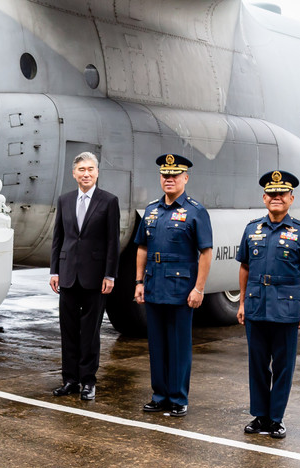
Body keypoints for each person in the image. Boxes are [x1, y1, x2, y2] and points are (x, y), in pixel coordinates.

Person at [235, 171, 300, 439]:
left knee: (283, 366)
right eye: (271, 194)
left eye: (282, 194)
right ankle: (260, 416)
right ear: (264, 198)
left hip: (286, 309)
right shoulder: (252, 229)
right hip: (257, 306)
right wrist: (243, 302)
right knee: (257, 364)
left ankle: (276, 418)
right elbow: (245, 267)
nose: (276, 198)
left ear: (291, 198)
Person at [133, 154, 212, 417]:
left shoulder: (195, 211)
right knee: (157, 345)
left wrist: (198, 288)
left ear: (185, 178)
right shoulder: (152, 210)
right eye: (165, 175)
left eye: (175, 175)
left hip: (181, 289)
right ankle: (159, 395)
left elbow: (205, 253)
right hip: (154, 286)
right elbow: (142, 247)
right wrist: (139, 282)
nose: (169, 179)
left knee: (178, 346)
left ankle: (178, 398)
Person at [49, 151, 121, 401]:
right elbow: (59, 237)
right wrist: (54, 270)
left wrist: (110, 275)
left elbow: (113, 241)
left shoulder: (109, 201)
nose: (86, 174)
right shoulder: (65, 200)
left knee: (90, 331)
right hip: (67, 275)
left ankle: (88, 381)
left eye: (90, 169)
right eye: (81, 170)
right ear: (74, 174)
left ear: (97, 173)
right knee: (68, 330)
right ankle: (70, 379)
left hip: (95, 276)